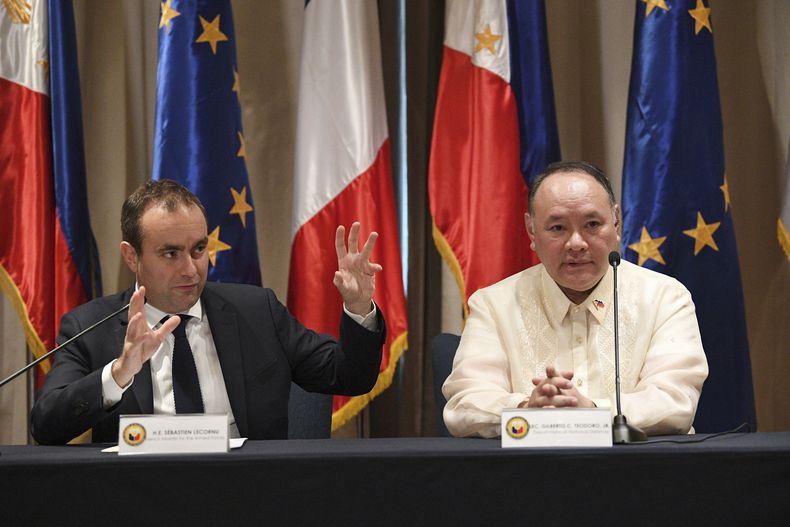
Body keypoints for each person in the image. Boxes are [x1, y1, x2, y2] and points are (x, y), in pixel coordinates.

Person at [30, 180, 386, 444]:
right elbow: (46, 425)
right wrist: (119, 373)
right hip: (142, 498)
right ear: (131, 256)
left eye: (199, 249)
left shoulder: (256, 312)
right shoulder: (91, 326)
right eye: (171, 254)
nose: (191, 269)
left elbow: (349, 376)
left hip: (248, 495)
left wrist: (358, 307)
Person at [442, 160, 708, 438]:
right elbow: (464, 403)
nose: (576, 244)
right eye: (558, 228)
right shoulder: (493, 305)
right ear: (531, 231)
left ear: (616, 222)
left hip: (638, 464)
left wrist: (592, 412)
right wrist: (526, 410)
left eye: (592, 224)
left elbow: (676, 402)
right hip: (529, 464)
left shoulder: (665, 298)